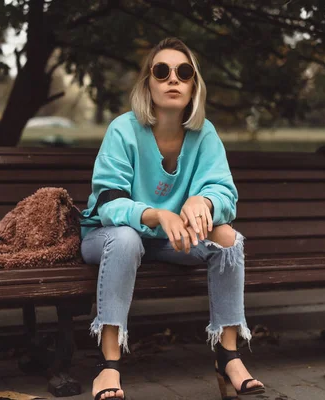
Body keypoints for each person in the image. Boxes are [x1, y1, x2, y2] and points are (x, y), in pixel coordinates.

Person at [79, 37, 265, 400]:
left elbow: (226, 194)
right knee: (127, 238)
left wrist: (204, 202)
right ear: (147, 84)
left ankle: (228, 355)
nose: (173, 79)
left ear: (194, 84)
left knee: (226, 237)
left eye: (184, 72)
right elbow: (108, 202)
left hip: (167, 241)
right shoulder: (123, 130)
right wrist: (157, 214)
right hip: (108, 238)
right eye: (161, 71)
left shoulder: (204, 133)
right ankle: (109, 366)